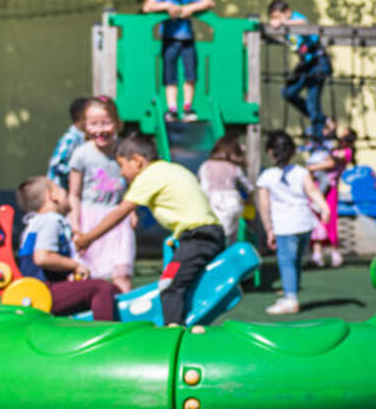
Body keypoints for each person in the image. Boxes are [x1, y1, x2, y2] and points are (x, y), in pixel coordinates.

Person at [74, 134, 225, 327]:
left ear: (137, 161)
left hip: (197, 237)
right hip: (207, 234)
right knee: (184, 282)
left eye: (122, 165)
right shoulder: (172, 169)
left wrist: (88, 238)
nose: (121, 173)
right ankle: (187, 325)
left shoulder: (149, 175)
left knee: (169, 285)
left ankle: (172, 333)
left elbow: (120, 212)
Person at [15, 177, 117, 321]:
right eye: (60, 189)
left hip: (42, 289)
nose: (66, 192)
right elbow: (43, 257)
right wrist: (76, 265)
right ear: (52, 195)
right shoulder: (50, 222)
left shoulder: (39, 222)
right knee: (100, 288)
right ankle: (106, 333)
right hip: (42, 292)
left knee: (112, 290)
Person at [256, 130, 331, 315]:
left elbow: (264, 205)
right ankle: (291, 294)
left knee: (286, 262)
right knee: (296, 261)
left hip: (284, 226)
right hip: (305, 223)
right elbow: (312, 192)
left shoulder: (267, 176)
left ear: (270, 152)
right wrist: (325, 208)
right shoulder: (301, 171)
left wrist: (268, 228)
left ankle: (291, 300)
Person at [68, 97, 135, 293]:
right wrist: (75, 224)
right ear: (84, 125)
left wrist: (131, 210)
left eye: (106, 123)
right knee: (83, 272)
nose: (100, 130)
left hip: (117, 217)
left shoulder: (124, 150)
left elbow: (134, 185)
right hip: (89, 217)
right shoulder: (82, 154)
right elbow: (74, 194)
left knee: (122, 272)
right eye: (93, 124)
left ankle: (125, 314)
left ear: (116, 123)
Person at [142, 0, 215, 122]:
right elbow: (147, 7)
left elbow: (209, 2)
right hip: (169, 39)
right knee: (170, 76)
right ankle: (172, 109)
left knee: (190, 74)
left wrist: (190, 7)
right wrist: (167, 6)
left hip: (187, 39)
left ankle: (188, 108)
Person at [266, 0, 331, 139]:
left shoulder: (295, 19)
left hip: (318, 62)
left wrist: (283, 23)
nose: (276, 21)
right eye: (273, 18)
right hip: (306, 65)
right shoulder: (287, 31)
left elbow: (303, 24)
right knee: (288, 92)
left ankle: (318, 135)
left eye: (278, 16)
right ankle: (324, 120)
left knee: (312, 101)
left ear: (287, 12)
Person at [304, 125, 355, 268]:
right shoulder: (329, 147)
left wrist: (310, 168)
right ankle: (317, 254)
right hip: (317, 186)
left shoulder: (345, 152)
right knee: (315, 218)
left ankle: (335, 252)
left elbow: (331, 163)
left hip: (330, 189)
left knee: (330, 220)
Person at [198, 135, 253, 243]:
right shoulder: (234, 167)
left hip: (212, 204)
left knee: (214, 237)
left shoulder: (206, 166)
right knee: (230, 238)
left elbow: (203, 187)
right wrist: (249, 204)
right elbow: (249, 188)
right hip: (232, 203)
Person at [47, 96, 89, 189]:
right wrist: (76, 174)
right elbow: (56, 164)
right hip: (60, 189)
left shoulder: (84, 137)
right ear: (81, 117)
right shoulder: (70, 139)